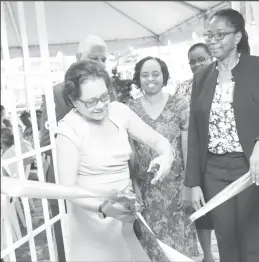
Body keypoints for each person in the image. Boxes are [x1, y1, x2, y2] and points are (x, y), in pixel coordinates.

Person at [185, 8, 259, 262]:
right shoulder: (202, 77)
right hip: (212, 170)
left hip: (250, 169)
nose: (212, 41)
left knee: (251, 239)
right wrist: (193, 182)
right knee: (225, 238)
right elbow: (195, 132)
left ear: (237, 37)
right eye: (209, 35)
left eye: (220, 35)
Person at [55, 59, 174, 261]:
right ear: (73, 100)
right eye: (91, 101)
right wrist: (104, 207)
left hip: (125, 214)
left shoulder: (119, 111)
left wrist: (167, 155)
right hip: (91, 219)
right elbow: (68, 189)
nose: (101, 105)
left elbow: (158, 141)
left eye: (104, 96)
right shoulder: (69, 130)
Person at [39, 35, 111, 261]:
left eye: (104, 59)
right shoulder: (58, 92)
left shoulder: (107, 89)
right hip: (69, 184)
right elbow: (45, 142)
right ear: (79, 58)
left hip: (103, 181)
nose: (99, 63)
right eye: (94, 58)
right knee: (70, 247)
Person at [127, 56, 199, 261]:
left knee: (179, 248)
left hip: (176, 188)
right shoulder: (130, 109)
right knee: (150, 248)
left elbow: (188, 148)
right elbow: (130, 151)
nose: (151, 79)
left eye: (156, 74)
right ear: (138, 78)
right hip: (147, 190)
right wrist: (134, 185)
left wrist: (189, 184)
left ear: (164, 76)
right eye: (145, 74)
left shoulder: (179, 104)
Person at [174, 43, 215, 262]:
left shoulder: (225, 83)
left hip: (221, 157)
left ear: (212, 58)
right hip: (195, 157)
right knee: (201, 210)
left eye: (202, 59)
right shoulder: (182, 89)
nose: (197, 64)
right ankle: (207, 254)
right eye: (193, 61)